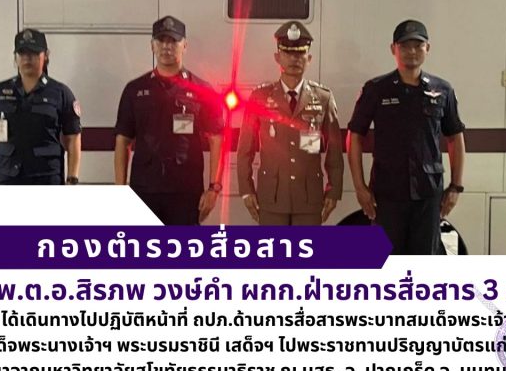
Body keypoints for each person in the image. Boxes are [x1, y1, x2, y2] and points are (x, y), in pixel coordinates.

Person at [346, 19, 466, 254]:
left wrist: (456, 187)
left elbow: (455, 137)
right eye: (405, 46)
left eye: (418, 45)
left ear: (427, 48)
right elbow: (355, 135)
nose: (412, 51)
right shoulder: (376, 89)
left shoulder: (442, 90)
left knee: (424, 262)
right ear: (393, 49)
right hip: (387, 194)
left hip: (428, 195)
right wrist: (360, 187)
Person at [114, 16, 225, 225]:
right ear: (152, 46)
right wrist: (120, 190)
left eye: (173, 41)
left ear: (185, 45)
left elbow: (217, 139)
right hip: (144, 191)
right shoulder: (135, 90)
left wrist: (214, 188)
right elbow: (123, 140)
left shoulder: (203, 91)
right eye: (161, 40)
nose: (167, 47)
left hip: (186, 193)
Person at [237, 21, 344, 225]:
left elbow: (335, 151)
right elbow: (245, 150)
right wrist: (246, 189)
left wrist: (334, 190)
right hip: (272, 197)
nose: (294, 59)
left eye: (300, 53)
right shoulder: (260, 97)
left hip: (309, 198)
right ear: (277, 57)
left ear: (309, 59)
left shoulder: (323, 98)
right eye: (287, 53)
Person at [0, 28, 82, 185]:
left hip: (46, 179)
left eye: (33, 53)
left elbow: (73, 138)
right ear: (15, 58)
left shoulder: (60, 93)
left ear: (45, 56)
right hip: (7, 179)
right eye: (22, 53)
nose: (27, 58)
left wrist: (72, 179)